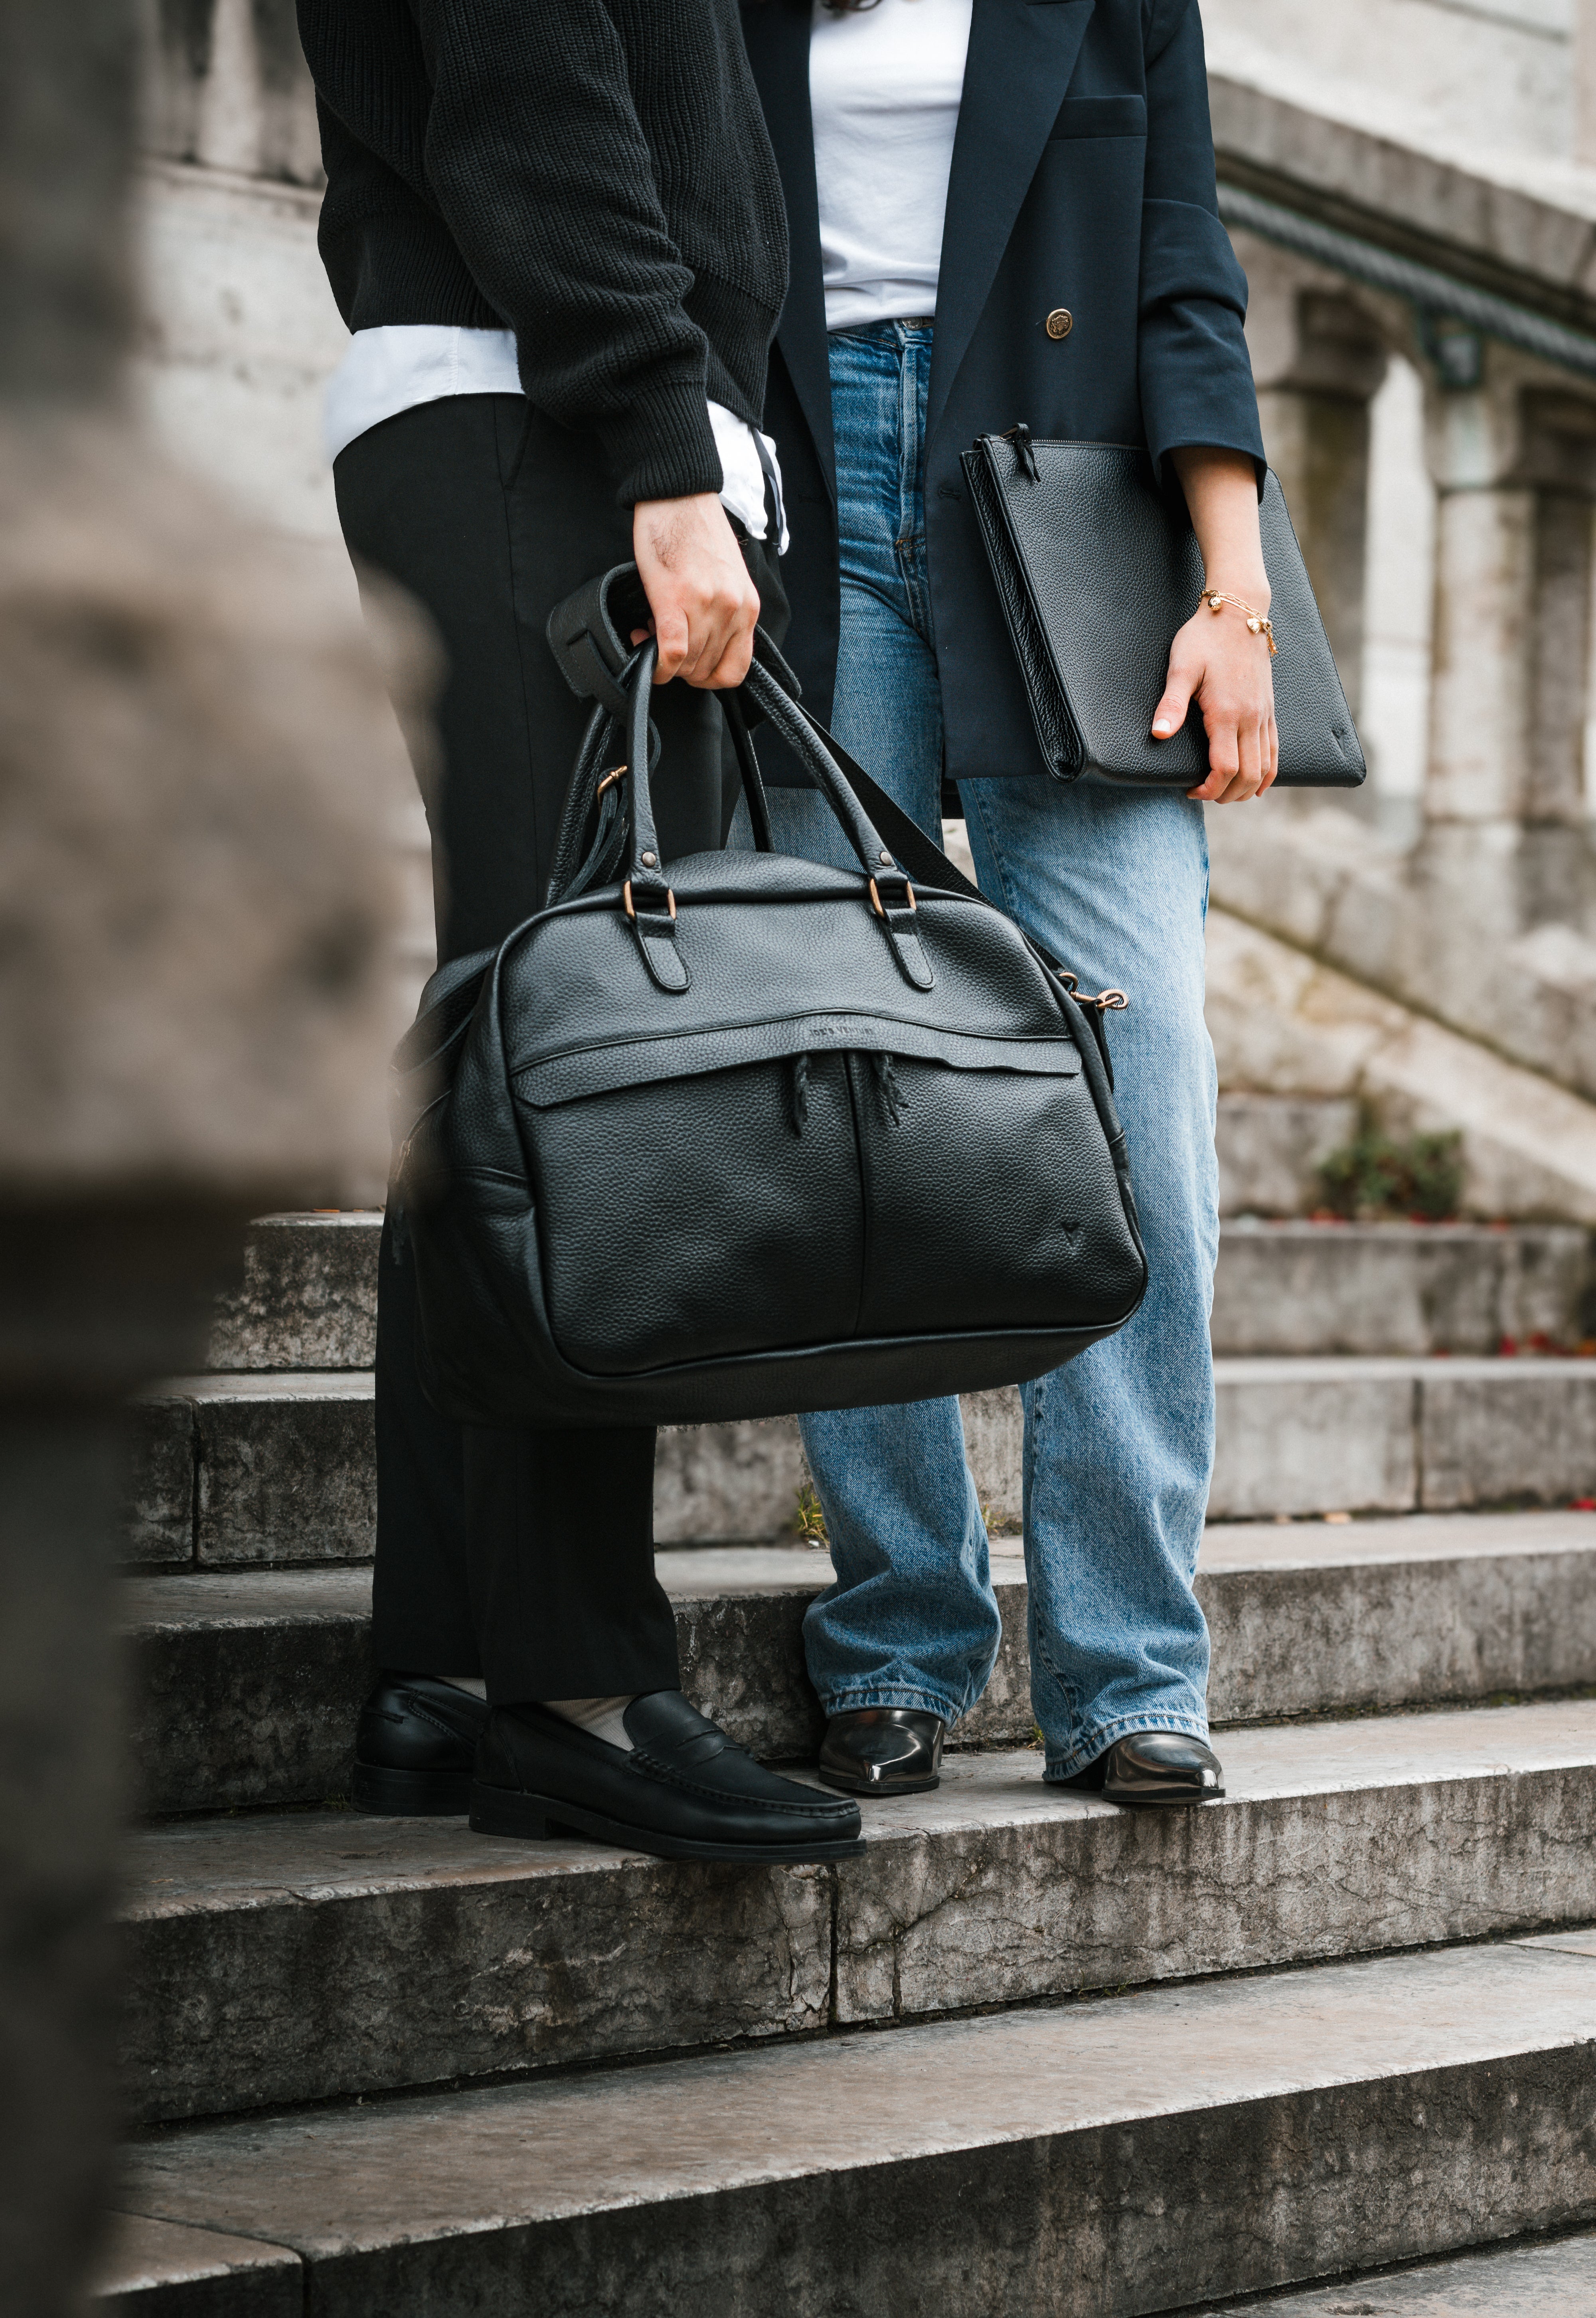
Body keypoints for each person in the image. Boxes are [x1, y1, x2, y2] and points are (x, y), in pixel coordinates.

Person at [293, 0, 863, 1862]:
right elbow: (534, 78)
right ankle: (576, 1686)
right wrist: (653, 429)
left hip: (533, 400)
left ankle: (451, 1660)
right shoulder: (593, 401)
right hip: (550, 409)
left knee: (520, 1028)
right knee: (590, 1055)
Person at [738, 0, 1275, 1805]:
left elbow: (1182, 274)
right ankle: (895, 1634)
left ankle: (1129, 1669)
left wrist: (1235, 595)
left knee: (1145, 1093)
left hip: (1062, 520)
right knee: (847, 1097)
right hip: (805, 522)